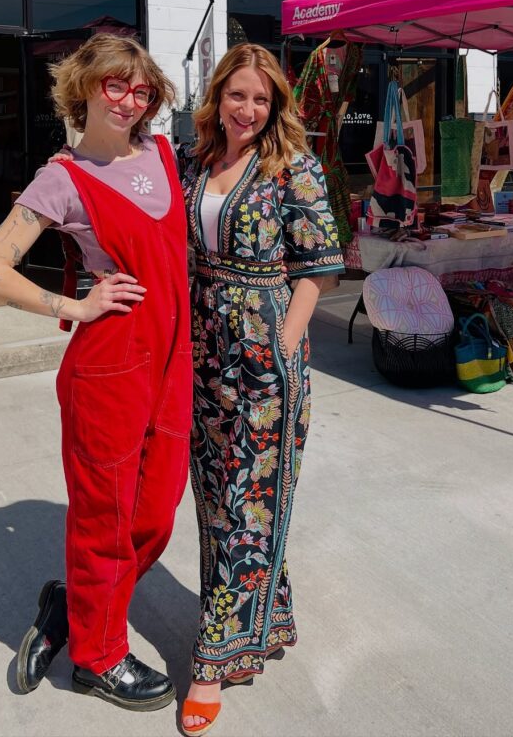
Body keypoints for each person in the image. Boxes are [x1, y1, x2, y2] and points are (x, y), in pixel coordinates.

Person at [0, 35, 193, 713]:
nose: (130, 101)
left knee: (156, 512)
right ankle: (98, 657)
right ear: (85, 89)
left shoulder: (162, 153)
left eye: (142, 90)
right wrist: (72, 306)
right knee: (104, 518)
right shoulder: (61, 179)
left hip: (173, 358)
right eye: (115, 86)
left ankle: (74, 604)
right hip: (110, 365)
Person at [179, 43, 343, 736]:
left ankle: (212, 661)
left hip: (265, 354)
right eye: (236, 95)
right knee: (217, 500)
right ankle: (260, 622)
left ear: (275, 106)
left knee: (252, 502)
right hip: (202, 353)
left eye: (260, 99)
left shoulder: (292, 166)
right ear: (217, 96)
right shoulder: (192, 163)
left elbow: (319, 266)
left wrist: (284, 343)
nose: (247, 109)